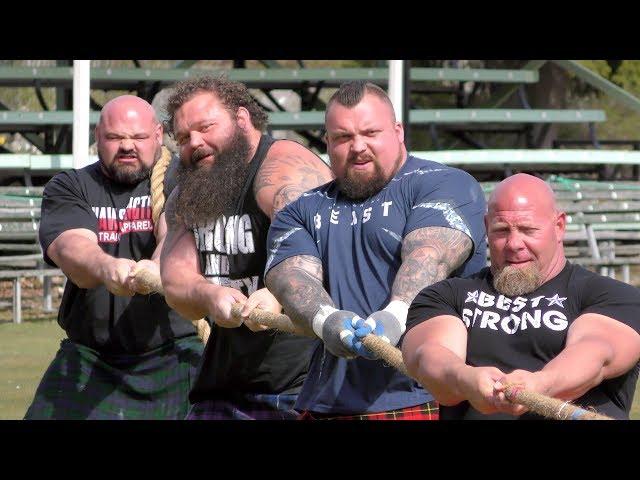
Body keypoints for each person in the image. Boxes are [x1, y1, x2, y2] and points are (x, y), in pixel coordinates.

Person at [264, 80, 487, 419]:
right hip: (326, 401)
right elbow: (291, 277)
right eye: (343, 137)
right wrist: (327, 321)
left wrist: (395, 316)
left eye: (370, 133)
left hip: (420, 394)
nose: (358, 147)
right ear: (326, 142)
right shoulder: (301, 209)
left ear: (398, 131)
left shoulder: (442, 183)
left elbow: (431, 256)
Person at [159, 76, 334, 419]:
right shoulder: (192, 188)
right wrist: (209, 295)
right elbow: (175, 281)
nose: (195, 142)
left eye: (206, 127)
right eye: (183, 137)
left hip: (298, 389)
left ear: (241, 119)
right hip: (222, 388)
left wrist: (278, 293)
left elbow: (326, 243)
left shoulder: (283, 167)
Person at [402, 173, 640, 420]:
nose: (514, 243)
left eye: (528, 230)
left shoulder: (612, 296)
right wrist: (467, 379)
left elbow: (597, 352)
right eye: (502, 230)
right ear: (486, 228)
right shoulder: (446, 296)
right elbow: (427, 356)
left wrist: (540, 384)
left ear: (559, 227)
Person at [25, 95, 203, 420]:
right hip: (91, 355)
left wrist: (157, 266)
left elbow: (177, 234)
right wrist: (106, 267)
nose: (126, 146)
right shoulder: (70, 185)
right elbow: (71, 247)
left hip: (173, 353)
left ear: (158, 135)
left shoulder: (186, 180)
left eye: (137, 137)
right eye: (114, 137)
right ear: (97, 137)